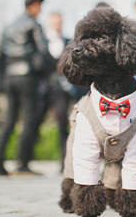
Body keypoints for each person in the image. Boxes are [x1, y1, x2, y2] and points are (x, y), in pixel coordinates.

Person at [0, 0, 55, 176]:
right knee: (29, 120)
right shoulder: (33, 24)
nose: (40, 11)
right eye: (40, 6)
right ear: (34, 5)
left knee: (9, 120)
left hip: (10, 77)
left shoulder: (9, 27)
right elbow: (43, 50)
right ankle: (22, 164)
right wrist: (55, 67)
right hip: (28, 77)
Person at [37, 12, 89, 172]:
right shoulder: (41, 42)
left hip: (68, 88)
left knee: (70, 123)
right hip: (47, 89)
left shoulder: (69, 42)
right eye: (54, 22)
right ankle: (23, 161)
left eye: (59, 21)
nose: (57, 24)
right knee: (39, 123)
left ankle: (65, 163)